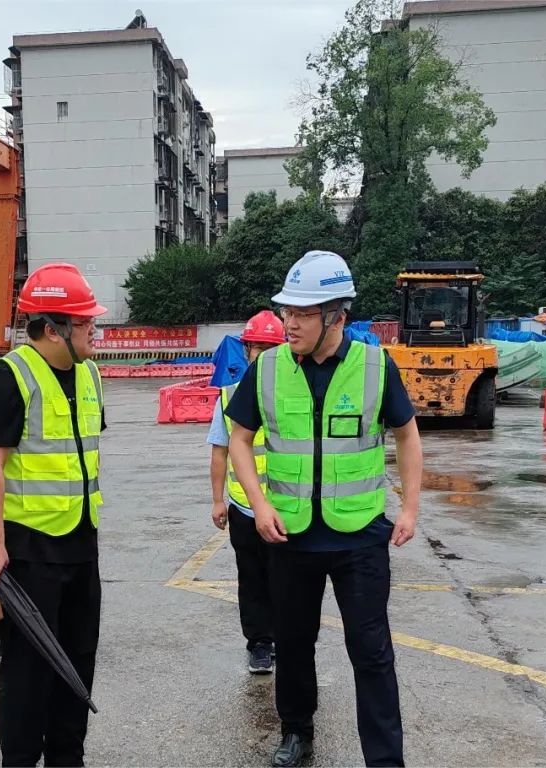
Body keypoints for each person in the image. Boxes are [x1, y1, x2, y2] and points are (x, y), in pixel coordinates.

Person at [226, 250, 423, 768]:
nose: (288, 322)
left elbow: (407, 435)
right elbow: (239, 439)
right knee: (293, 644)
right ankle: (296, 732)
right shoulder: (267, 368)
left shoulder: (375, 367)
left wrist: (409, 508)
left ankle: (385, 758)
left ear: (336, 315)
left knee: (372, 651)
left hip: (359, 537)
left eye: (302, 313)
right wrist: (259, 504)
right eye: (286, 311)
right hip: (290, 536)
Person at [0, 262, 107, 768]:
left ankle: (68, 758)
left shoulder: (90, 374)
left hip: (81, 542)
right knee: (30, 670)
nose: (94, 330)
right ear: (52, 329)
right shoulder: (9, 377)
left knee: (79, 659)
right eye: (85, 322)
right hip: (28, 550)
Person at [207, 310, 287, 675]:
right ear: (247, 350)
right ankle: (259, 643)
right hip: (244, 508)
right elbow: (219, 452)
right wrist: (217, 500)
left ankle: (287, 638)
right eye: (258, 348)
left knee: (287, 578)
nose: (264, 355)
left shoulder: (295, 393)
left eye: (271, 348)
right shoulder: (229, 396)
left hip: (287, 506)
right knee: (252, 578)